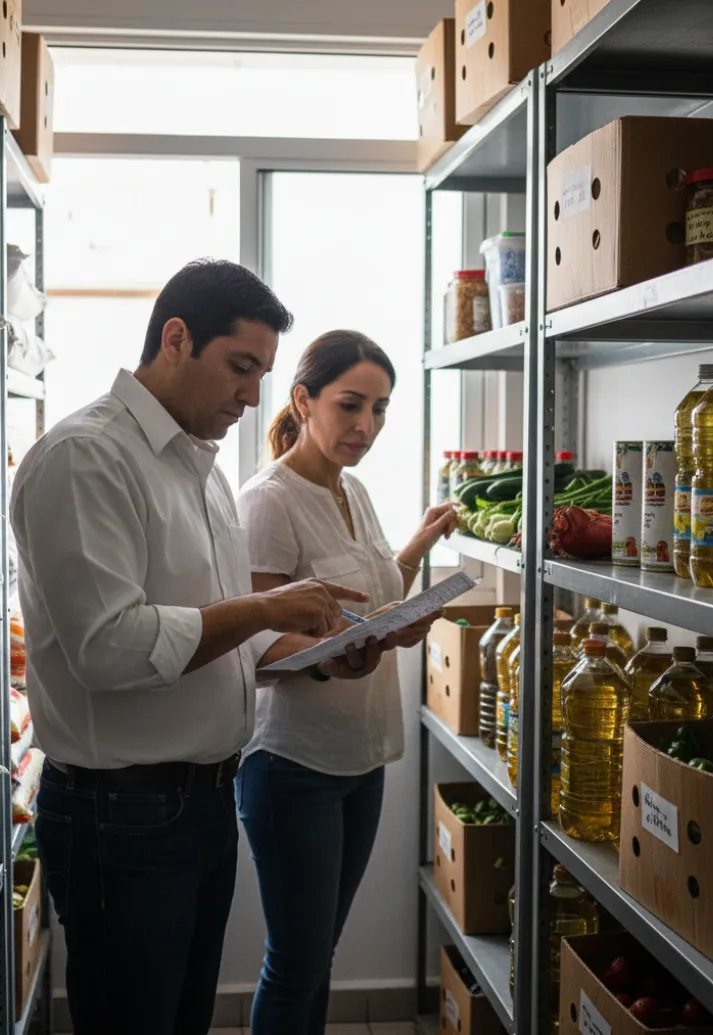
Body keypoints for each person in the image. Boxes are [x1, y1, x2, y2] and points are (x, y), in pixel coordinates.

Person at [9, 262, 436, 1035]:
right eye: (241, 366)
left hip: (202, 798)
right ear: (176, 339)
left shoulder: (199, 467)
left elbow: (227, 645)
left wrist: (324, 653)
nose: (252, 395)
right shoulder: (85, 456)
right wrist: (263, 608)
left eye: (262, 373)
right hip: (123, 811)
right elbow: (108, 647)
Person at [236, 330, 456, 1034]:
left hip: (361, 755)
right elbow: (261, 641)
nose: (367, 425)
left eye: (380, 409)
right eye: (350, 405)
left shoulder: (351, 489)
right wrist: (336, 656)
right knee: (296, 960)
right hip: (292, 763)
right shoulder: (269, 501)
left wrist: (418, 551)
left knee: (317, 953)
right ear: (304, 400)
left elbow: (375, 592)